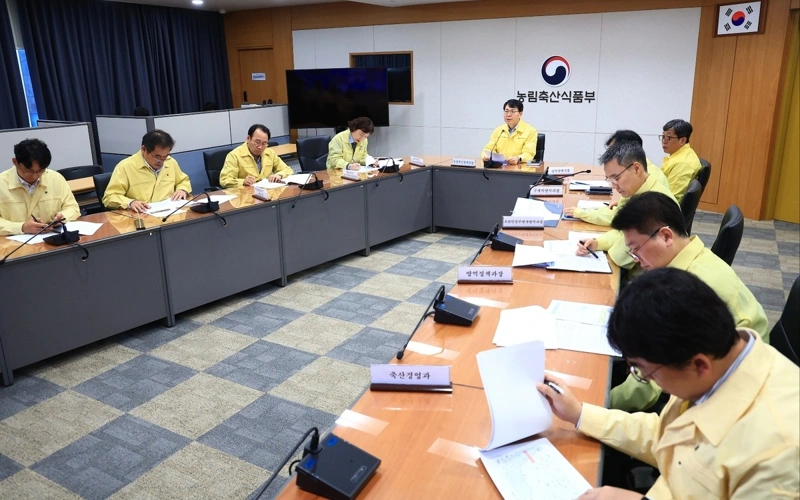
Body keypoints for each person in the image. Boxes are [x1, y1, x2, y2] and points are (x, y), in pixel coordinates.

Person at [537, 268, 799, 500]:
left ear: (699, 365)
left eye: (646, 372)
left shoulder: (776, 453)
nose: (647, 380)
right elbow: (668, 433)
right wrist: (580, 413)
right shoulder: (716, 363)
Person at [608, 191, 770, 411]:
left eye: (636, 249)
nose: (636, 259)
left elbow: (652, 381)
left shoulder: (687, 290)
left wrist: (601, 403)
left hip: (732, 395)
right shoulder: (692, 259)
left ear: (666, 236)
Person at [575, 141, 676, 275]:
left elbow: (620, 257)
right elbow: (620, 232)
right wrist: (597, 243)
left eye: (616, 178)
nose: (614, 186)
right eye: (610, 179)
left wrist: (611, 244)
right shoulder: (639, 190)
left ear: (636, 169)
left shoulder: (652, 204)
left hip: (649, 282)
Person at [565, 130, 669, 226]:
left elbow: (619, 218)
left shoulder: (649, 183)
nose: (609, 155)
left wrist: (582, 213)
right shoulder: (644, 171)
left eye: (613, 150)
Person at [0, 139, 80, 235]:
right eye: (28, 171)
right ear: (15, 162)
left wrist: (63, 216)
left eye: (40, 171)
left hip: (50, 240)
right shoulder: (2, 182)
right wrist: (22, 227)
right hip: (12, 244)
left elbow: (72, 207)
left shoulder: (55, 178)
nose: (34, 176)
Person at [103, 130, 191, 212]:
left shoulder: (170, 162)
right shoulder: (125, 167)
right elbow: (109, 197)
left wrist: (182, 190)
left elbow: (183, 180)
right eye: (157, 157)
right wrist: (130, 202)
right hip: (140, 216)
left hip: (169, 213)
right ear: (143, 149)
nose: (161, 161)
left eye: (165, 156)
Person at [219, 124, 293, 188]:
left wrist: (279, 175)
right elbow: (225, 179)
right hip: (245, 197)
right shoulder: (234, 155)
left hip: (267, 193)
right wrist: (243, 182)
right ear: (248, 138)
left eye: (264, 143)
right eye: (257, 142)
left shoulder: (269, 153)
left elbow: (287, 169)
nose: (260, 147)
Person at [481, 99, 538, 165]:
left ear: (520, 114)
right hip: (499, 168)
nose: (508, 114)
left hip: (519, 169)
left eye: (512, 111)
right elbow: (488, 148)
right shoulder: (499, 130)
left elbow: (529, 153)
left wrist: (518, 158)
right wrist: (486, 156)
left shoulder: (530, 131)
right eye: (506, 111)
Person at [659, 119, 702, 202]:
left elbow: (670, 198)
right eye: (663, 136)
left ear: (682, 140)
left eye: (668, 137)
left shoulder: (682, 164)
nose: (664, 141)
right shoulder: (681, 154)